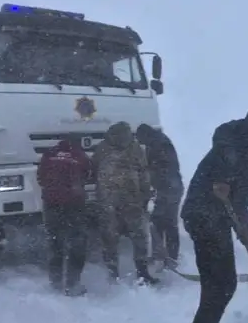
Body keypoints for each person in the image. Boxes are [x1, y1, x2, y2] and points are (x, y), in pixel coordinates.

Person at [172, 110, 248, 323]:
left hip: (213, 219)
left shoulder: (247, 152)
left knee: (216, 284)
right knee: (223, 285)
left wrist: (245, 227)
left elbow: (239, 200)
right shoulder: (229, 149)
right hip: (206, 218)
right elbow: (223, 175)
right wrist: (221, 182)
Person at [92, 121, 159, 286]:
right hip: (131, 199)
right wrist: (145, 194)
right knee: (138, 238)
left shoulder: (102, 148)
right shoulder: (135, 148)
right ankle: (142, 274)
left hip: (109, 201)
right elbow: (144, 173)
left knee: (110, 238)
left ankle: (113, 275)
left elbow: (92, 169)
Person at [36, 138, 92, 297]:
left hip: (51, 204)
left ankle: (55, 282)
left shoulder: (49, 154)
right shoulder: (80, 155)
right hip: (74, 204)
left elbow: (40, 177)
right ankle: (73, 285)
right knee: (77, 244)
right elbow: (88, 175)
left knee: (55, 243)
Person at [135, 124, 184, 268]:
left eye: (140, 139)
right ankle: (168, 257)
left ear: (145, 135)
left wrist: (154, 187)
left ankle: (164, 258)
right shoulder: (158, 141)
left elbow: (163, 168)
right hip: (172, 187)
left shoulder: (158, 144)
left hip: (169, 189)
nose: (140, 143)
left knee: (159, 222)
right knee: (167, 223)